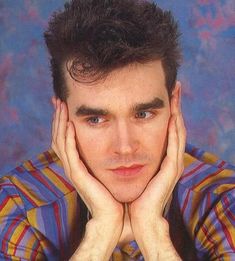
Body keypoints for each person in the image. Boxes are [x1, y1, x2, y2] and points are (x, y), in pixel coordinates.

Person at [0, 0, 234, 260]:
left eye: (143, 114)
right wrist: (100, 234)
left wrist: (153, 234)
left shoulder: (224, 200)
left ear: (174, 103)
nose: (124, 146)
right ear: (61, 116)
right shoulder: (17, 205)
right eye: (96, 120)